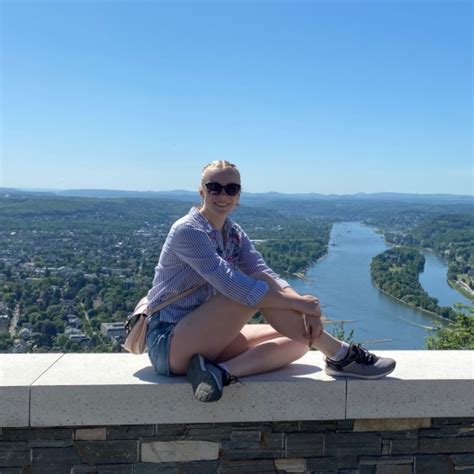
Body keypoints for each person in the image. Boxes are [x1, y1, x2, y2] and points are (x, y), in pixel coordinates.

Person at [146, 160, 396, 402]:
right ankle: (340, 354)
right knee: (251, 286)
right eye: (215, 187)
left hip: (205, 339)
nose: (223, 194)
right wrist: (302, 306)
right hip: (169, 343)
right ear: (202, 192)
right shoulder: (188, 231)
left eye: (231, 188)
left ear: (239, 195)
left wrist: (301, 303)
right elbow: (234, 285)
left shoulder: (233, 233)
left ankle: (218, 372)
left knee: (300, 340)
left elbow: (265, 271)